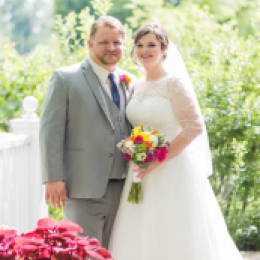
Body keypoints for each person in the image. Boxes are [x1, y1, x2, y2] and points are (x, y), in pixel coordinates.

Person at [108, 23, 244, 259]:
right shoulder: (135, 85)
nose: (144, 50)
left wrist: (157, 159)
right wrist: (141, 155)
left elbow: (193, 127)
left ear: (164, 48)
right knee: (142, 231)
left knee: (175, 229)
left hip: (172, 169)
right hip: (140, 171)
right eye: (139, 45)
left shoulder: (174, 84)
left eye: (151, 45)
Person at [39, 16, 134, 249]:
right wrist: (53, 177)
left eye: (117, 42)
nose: (111, 48)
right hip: (82, 187)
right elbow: (50, 130)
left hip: (124, 187)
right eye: (104, 42)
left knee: (117, 251)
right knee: (84, 253)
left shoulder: (130, 82)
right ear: (90, 44)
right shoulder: (65, 78)